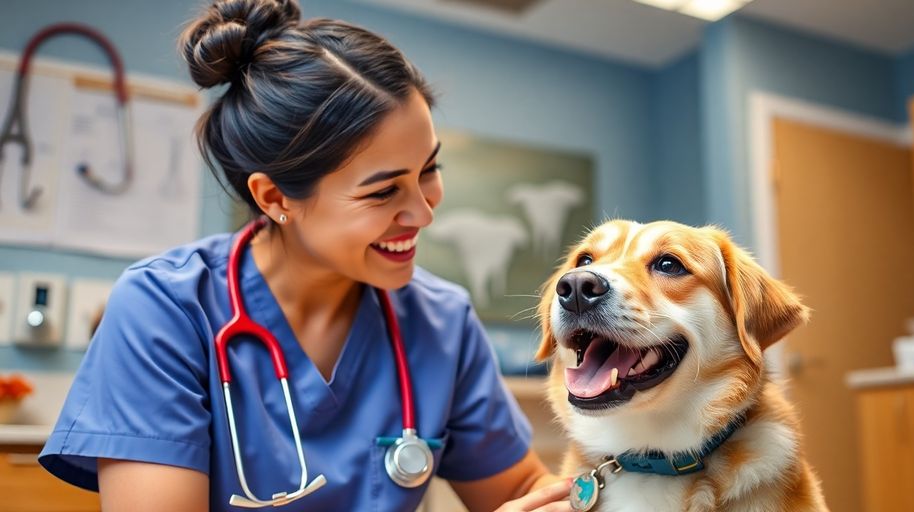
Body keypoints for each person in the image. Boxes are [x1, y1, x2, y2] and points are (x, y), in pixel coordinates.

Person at [38, 1, 571, 510]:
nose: (423, 213)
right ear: (275, 198)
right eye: (383, 192)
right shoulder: (165, 309)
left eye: (429, 170)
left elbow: (519, 486)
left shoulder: (440, 322)